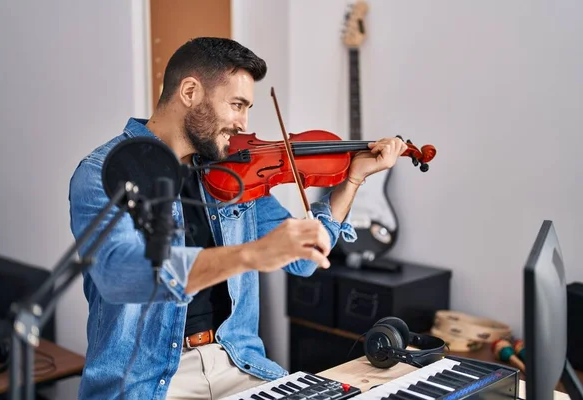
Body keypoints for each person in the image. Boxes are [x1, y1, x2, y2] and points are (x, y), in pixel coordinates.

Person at [68, 37, 407, 400]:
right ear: (190, 91)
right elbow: (121, 276)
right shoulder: (104, 171)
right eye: (236, 105)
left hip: (239, 366)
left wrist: (352, 180)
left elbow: (303, 261)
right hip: (148, 383)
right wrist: (250, 255)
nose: (243, 124)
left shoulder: (232, 174)